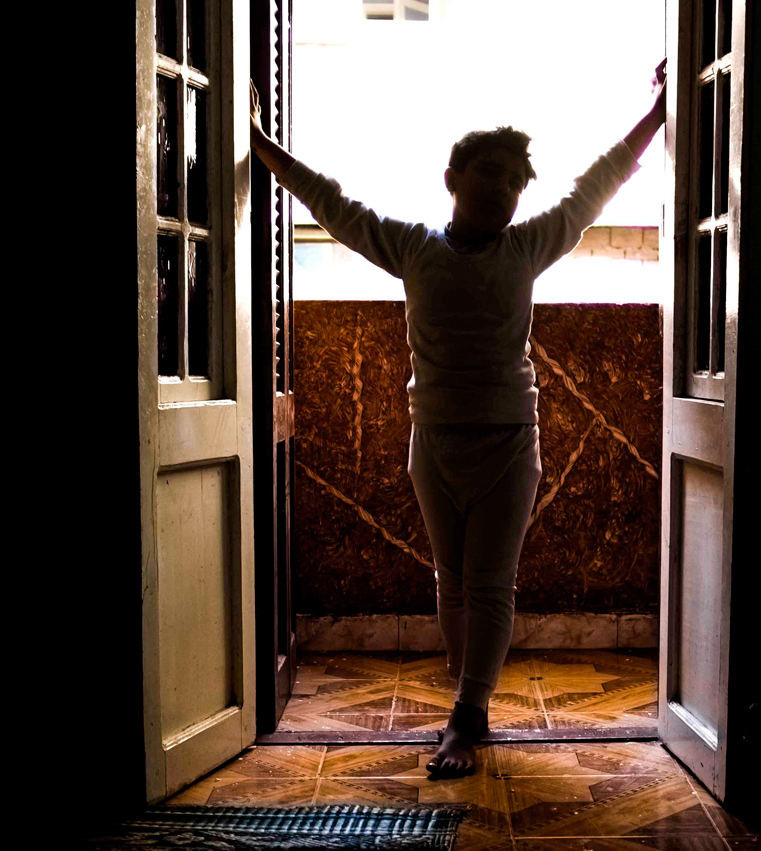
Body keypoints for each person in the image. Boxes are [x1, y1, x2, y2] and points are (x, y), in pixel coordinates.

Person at [249, 60, 669, 778]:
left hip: (509, 443)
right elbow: (332, 203)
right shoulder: (414, 246)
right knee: (449, 581)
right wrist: (259, 142)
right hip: (434, 442)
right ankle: (465, 690)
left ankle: (466, 719)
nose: (504, 189)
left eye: (513, 179)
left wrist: (659, 114)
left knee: (489, 582)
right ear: (453, 177)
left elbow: (599, 182)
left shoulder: (527, 244)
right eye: (491, 173)